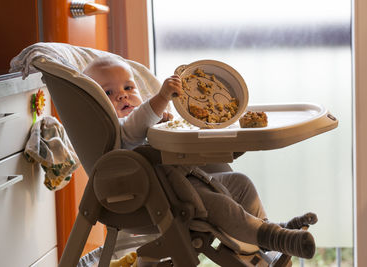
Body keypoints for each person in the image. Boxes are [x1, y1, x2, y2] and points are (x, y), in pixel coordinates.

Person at [83, 56, 317, 259]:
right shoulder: (117, 128)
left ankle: (268, 230)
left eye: (128, 88)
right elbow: (136, 126)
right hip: (164, 197)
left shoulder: (146, 120)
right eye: (108, 93)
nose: (123, 97)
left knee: (241, 183)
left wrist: (162, 122)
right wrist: (162, 97)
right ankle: (275, 237)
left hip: (191, 180)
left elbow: (149, 125)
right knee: (220, 204)